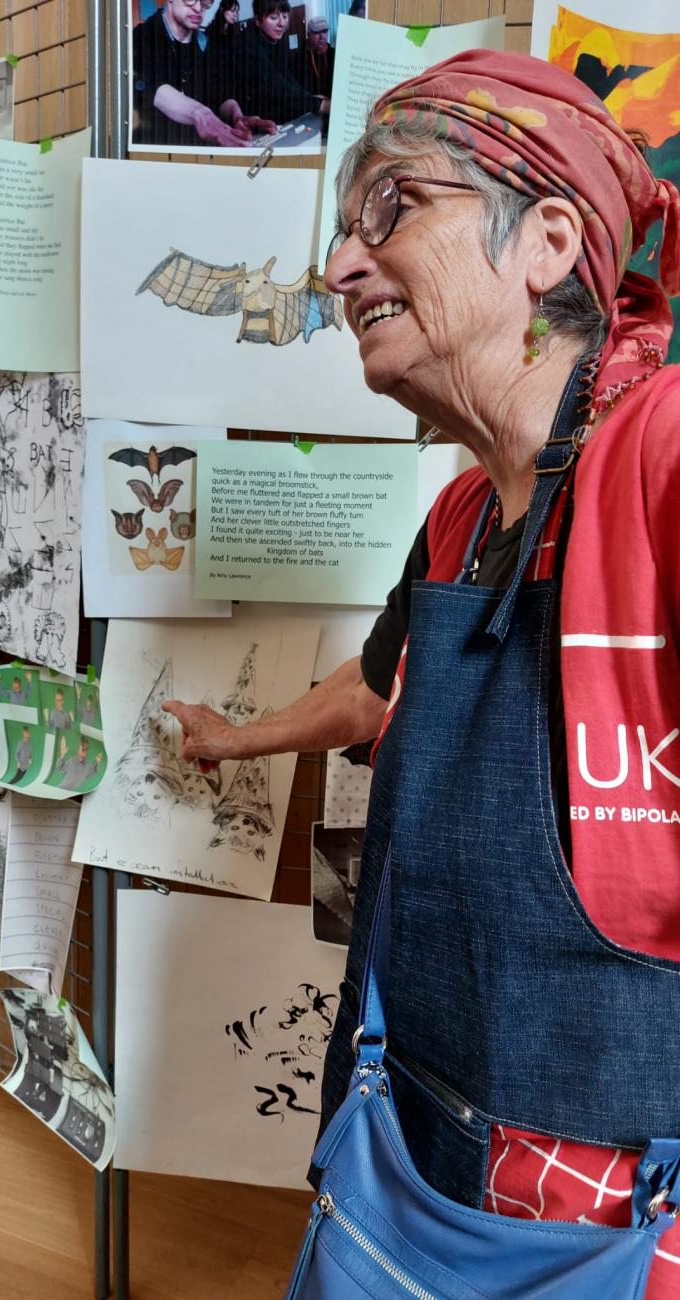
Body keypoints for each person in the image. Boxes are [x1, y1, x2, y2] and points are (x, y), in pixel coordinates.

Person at [164, 48, 680, 1293]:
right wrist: (235, 740)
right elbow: (381, 686)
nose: (341, 267)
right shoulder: (460, 517)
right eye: (343, 231)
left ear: (547, 241)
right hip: (407, 1139)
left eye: (390, 209)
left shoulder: (662, 455)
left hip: (614, 1216)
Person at [131, 0, 272, 147]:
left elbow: (221, 93)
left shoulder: (207, 44)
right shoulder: (141, 37)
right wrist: (199, 114)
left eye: (205, 2)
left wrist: (236, 115)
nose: (199, 8)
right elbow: (150, 85)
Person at [229, 0, 330, 128]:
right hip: (245, 117)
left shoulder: (277, 39)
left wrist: (310, 97)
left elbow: (286, 77)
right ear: (258, 20)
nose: (281, 23)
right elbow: (274, 86)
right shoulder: (246, 44)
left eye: (285, 16)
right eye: (273, 17)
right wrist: (320, 104)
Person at [298, 15, 334, 101]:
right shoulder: (299, 59)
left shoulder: (335, 54)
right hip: (311, 103)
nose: (322, 37)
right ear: (308, 35)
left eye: (325, 31)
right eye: (316, 32)